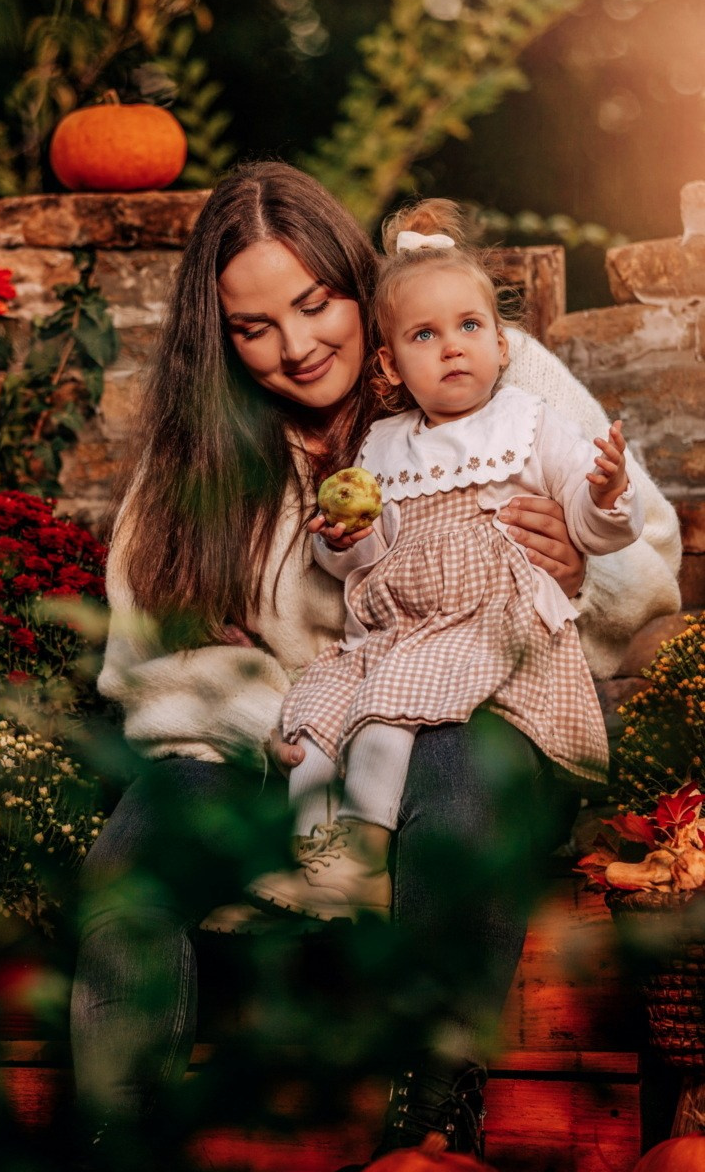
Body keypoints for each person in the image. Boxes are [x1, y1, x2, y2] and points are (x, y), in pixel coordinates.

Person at [70, 164, 682, 1167]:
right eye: (254, 326)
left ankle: (431, 1128)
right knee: (131, 864)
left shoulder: (480, 358)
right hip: (287, 750)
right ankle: (116, 1168)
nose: (298, 345)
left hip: (490, 703)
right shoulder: (199, 455)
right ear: (217, 336)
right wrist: (281, 711)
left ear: (361, 286)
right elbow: (157, 671)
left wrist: (582, 560)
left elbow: (643, 555)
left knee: (453, 766)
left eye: (316, 304)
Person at [250, 202, 644, 924]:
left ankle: (364, 861)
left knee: (385, 712)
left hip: (485, 626)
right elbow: (371, 558)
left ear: (501, 342)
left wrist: (606, 491)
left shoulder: (529, 421)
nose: (452, 348)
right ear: (391, 365)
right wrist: (344, 540)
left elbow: (592, 532)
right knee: (311, 717)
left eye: (469, 327)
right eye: (425, 336)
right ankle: (315, 860)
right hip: (395, 631)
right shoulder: (383, 445)